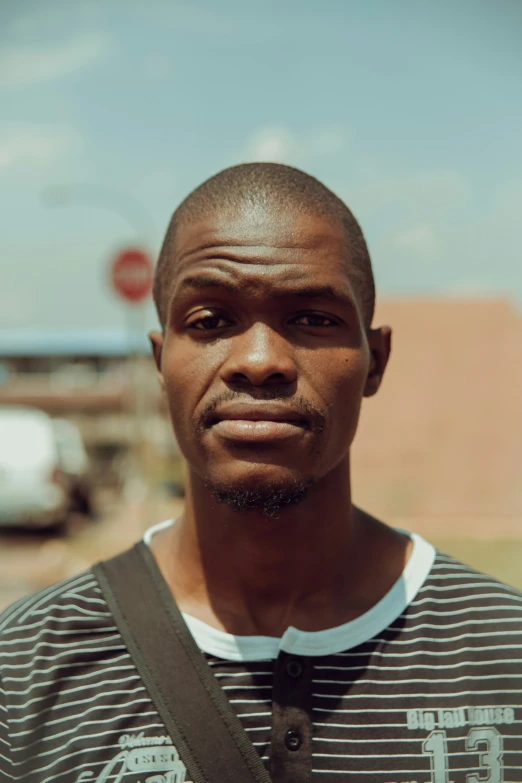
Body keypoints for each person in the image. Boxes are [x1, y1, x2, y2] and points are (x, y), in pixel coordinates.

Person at [1, 163, 521, 783]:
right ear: (161, 362)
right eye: (210, 321)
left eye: (312, 318)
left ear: (375, 362)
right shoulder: (24, 671)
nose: (259, 362)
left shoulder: (505, 653)